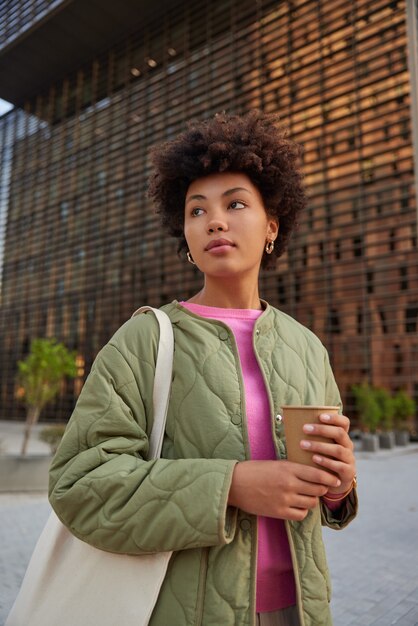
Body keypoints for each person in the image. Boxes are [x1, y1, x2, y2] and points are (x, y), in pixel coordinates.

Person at [49, 110, 358, 626]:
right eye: (197, 211)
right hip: (185, 611)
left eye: (236, 204)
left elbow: (318, 488)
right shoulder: (144, 339)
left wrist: (339, 489)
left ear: (271, 228)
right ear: (186, 238)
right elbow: (78, 485)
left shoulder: (306, 346)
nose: (214, 220)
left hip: (300, 608)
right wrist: (231, 485)